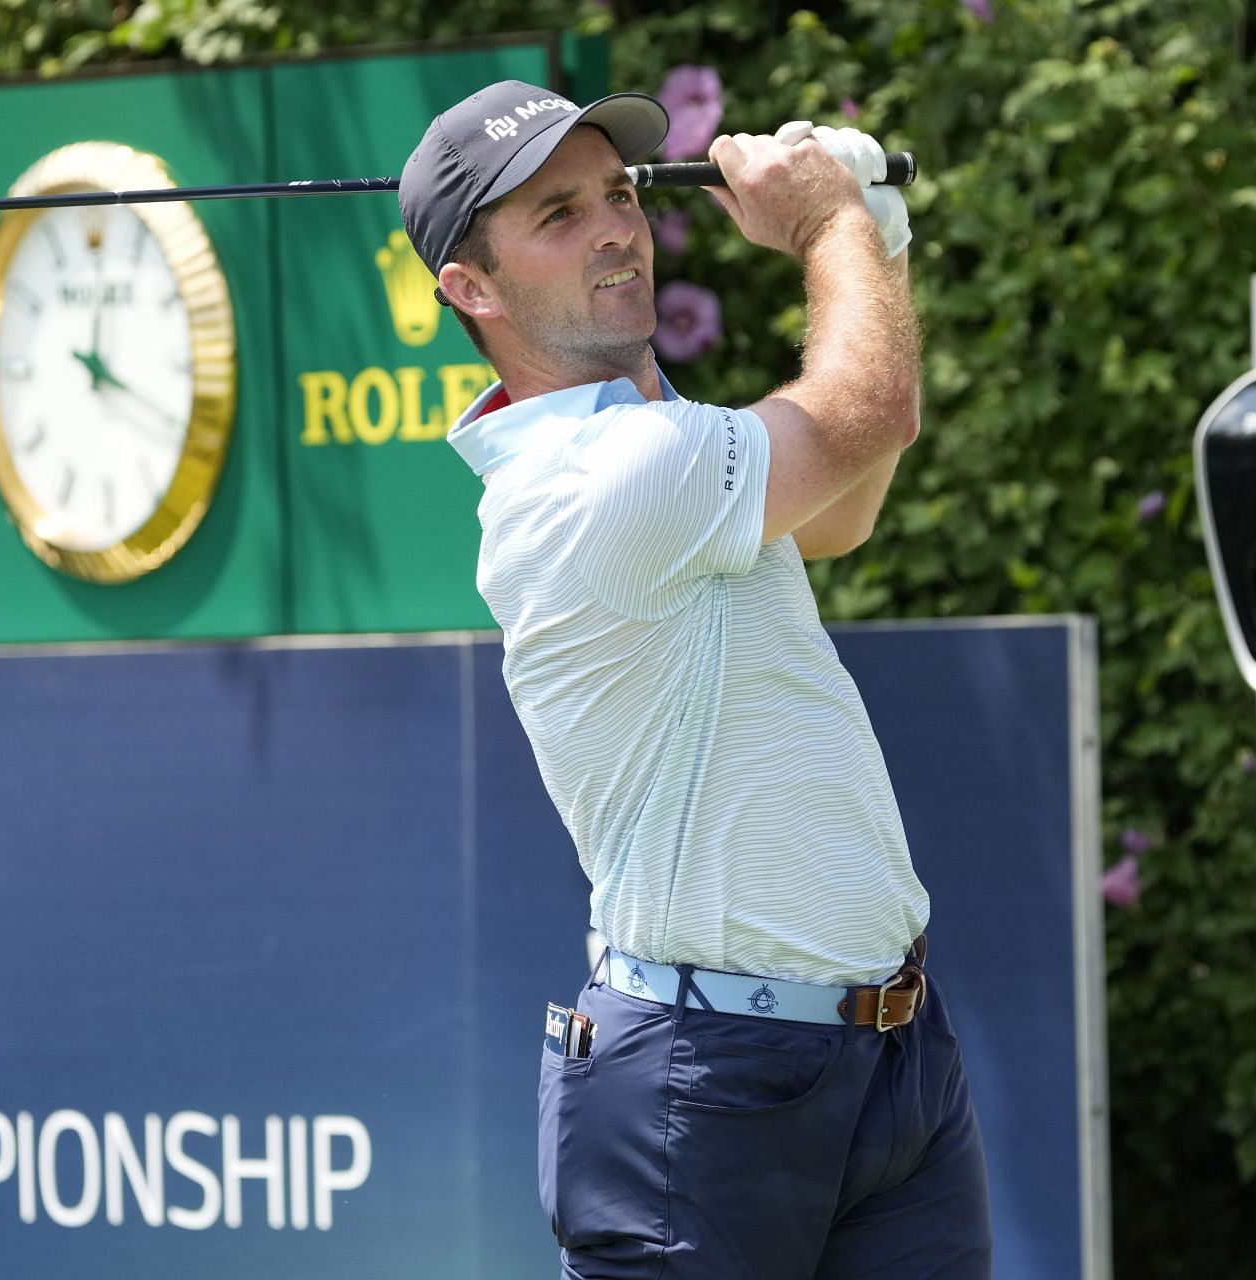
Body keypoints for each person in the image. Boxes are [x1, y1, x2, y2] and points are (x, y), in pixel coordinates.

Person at [398, 81, 991, 1278]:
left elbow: (843, 504)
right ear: (471, 288)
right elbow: (870, 410)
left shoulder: (664, 447)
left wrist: (876, 227)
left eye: (619, 192)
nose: (618, 225)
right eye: (557, 215)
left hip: (893, 1053)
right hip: (703, 1085)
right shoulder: (597, 480)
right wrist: (828, 225)